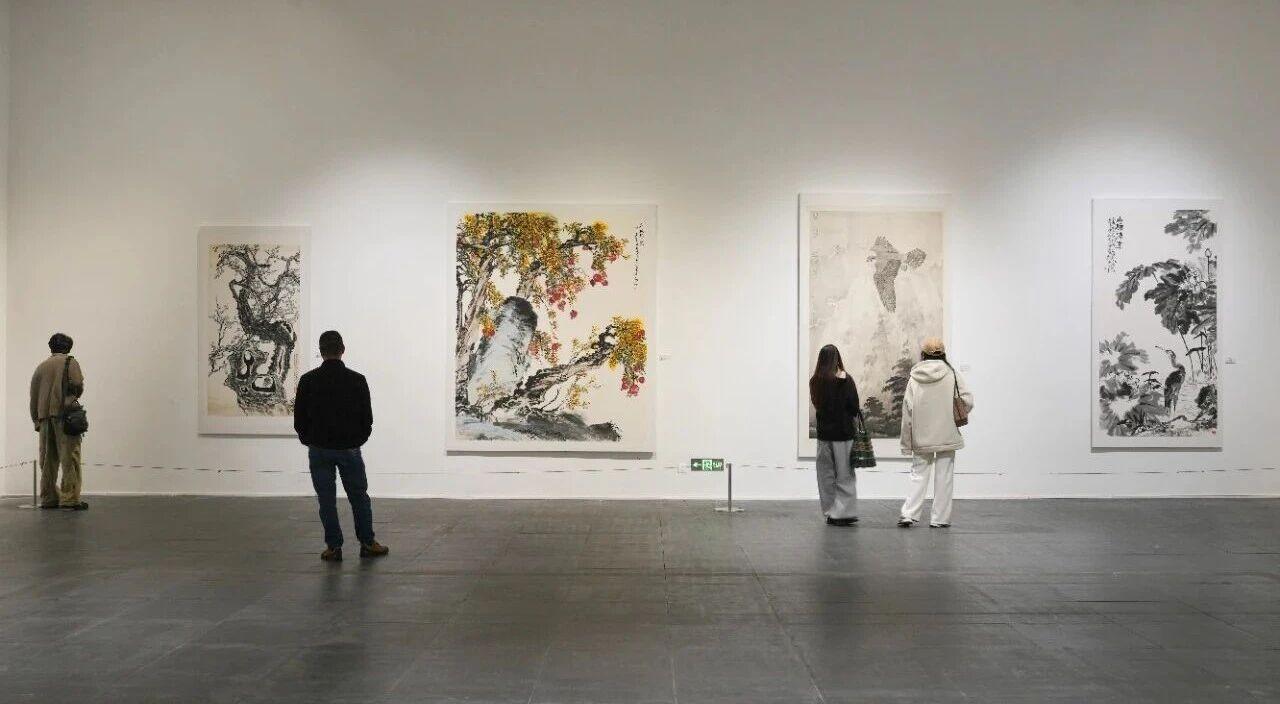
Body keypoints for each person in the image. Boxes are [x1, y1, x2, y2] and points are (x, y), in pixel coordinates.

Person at [293, 330, 388, 561]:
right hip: (349, 448)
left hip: (319, 449)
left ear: (321, 351)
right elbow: (367, 418)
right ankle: (367, 542)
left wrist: (309, 439)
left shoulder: (308, 380)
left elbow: (299, 419)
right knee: (359, 497)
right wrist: (358, 439)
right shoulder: (357, 380)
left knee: (326, 500)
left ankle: (334, 547)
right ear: (342, 350)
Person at [898, 337, 974, 528]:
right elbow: (967, 400)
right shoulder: (952, 374)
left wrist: (906, 444)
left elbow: (907, 411)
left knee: (918, 474)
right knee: (944, 477)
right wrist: (952, 414)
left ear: (923, 354)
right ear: (943, 353)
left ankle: (909, 514)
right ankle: (940, 519)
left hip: (921, 436)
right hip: (947, 434)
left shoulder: (915, 378)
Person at [29, 333, 87, 510]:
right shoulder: (70, 362)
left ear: (51, 347)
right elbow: (77, 385)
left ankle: (49, 498)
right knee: (70, 457)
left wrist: (36, 419)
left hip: (44, 418)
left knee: (48, 460)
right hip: (65, 416)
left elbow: (33, 396)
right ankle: (69, 498)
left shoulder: (41, 367)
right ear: (68, 347)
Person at [809, 344, 861, 527]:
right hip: (844, 434)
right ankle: (844, 512)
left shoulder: (815, 381)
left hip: (824, 435)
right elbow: (854, 407)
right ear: (837, 358)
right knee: (845, 474)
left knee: (826, 476)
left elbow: (818, 405)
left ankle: (831, 512)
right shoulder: (846, 380)